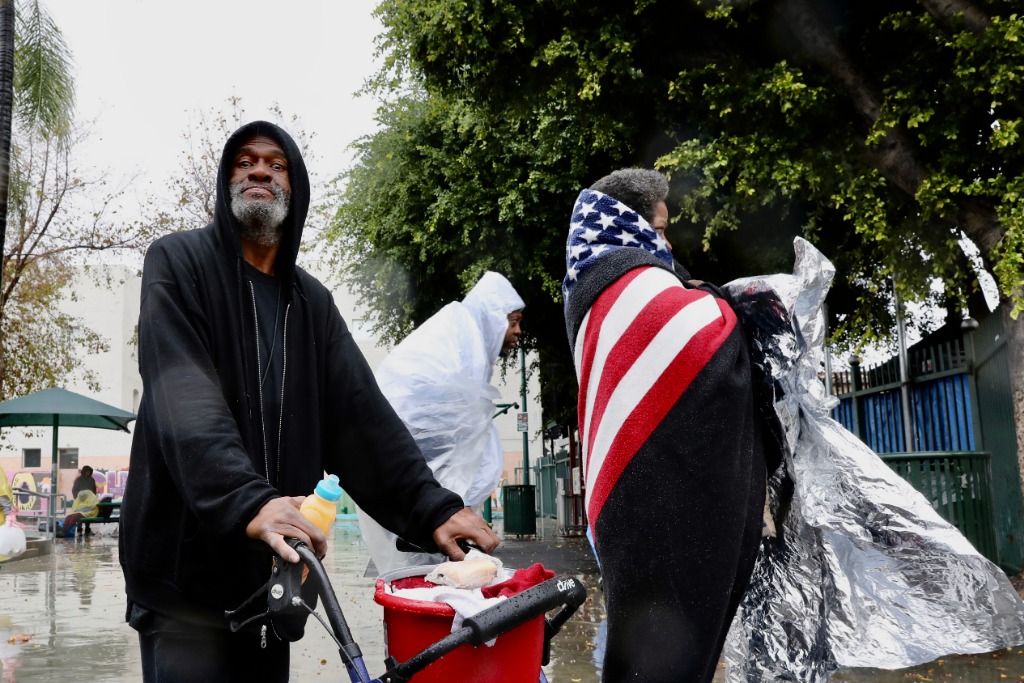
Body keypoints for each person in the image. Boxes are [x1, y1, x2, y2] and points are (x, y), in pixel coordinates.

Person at [120, 120, 499, 683]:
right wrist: (250, 501)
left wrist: (433, 507)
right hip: (185, 589)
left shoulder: (312, 304)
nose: (258, 170)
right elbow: (186, 399)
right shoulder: (178, 265)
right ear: (227, 183)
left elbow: (361, 418)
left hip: (280, 579)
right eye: (244, 161)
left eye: (276, 164)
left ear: (294, 190)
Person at [562, 168, 770, 683]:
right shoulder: (624, 279)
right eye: (659, 226)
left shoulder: (593, 274)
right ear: (628, 222)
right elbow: (702, 339)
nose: (667, 241)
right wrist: (737, 306)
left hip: (634, 489)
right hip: (653, 498)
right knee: (661, 642)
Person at [358, 271, 525, 574]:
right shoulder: (466, 339)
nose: (517, 332)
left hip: (412, 464)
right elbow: (446, 419)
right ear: (493, 319)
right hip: (414, 457)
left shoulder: (464, 333)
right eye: (512, 322)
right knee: (429, 577)